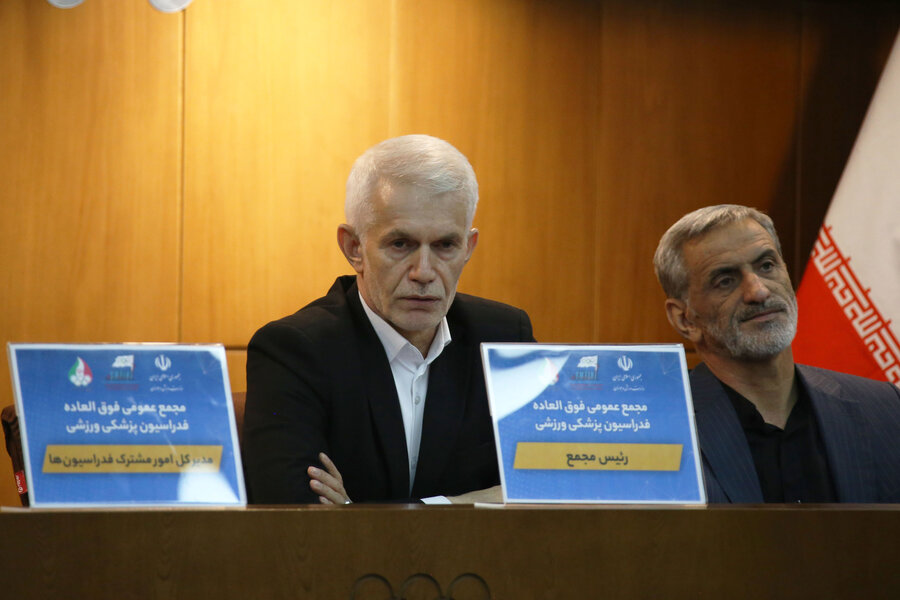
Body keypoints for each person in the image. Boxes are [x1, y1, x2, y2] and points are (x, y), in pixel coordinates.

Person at [242, 134, 534, 504]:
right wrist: (473, 502)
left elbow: (544, 492)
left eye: (445, 245)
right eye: (400, 244)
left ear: (468, 247)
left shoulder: (504, 337)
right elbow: (298, 517)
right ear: (354, 248)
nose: (424, 272)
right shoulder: (294, 351)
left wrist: (363, 514)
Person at [653, 204, 900, 503]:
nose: (758, 291)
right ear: (685, 319)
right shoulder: (656, 429)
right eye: (725, 280)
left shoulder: (886, 409)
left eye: (767, 266)